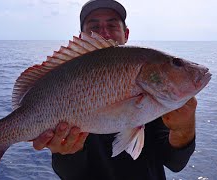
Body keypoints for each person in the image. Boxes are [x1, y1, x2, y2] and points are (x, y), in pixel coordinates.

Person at [33, 0, 196, 179]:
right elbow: (71, 174)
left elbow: (175, 162)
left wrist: (184, 129)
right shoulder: (68, 76)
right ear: (82, 37)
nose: (104, 32)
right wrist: (66, 153)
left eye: (112, 25)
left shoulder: (156, 95)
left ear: (126, 34)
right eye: (94, 26)